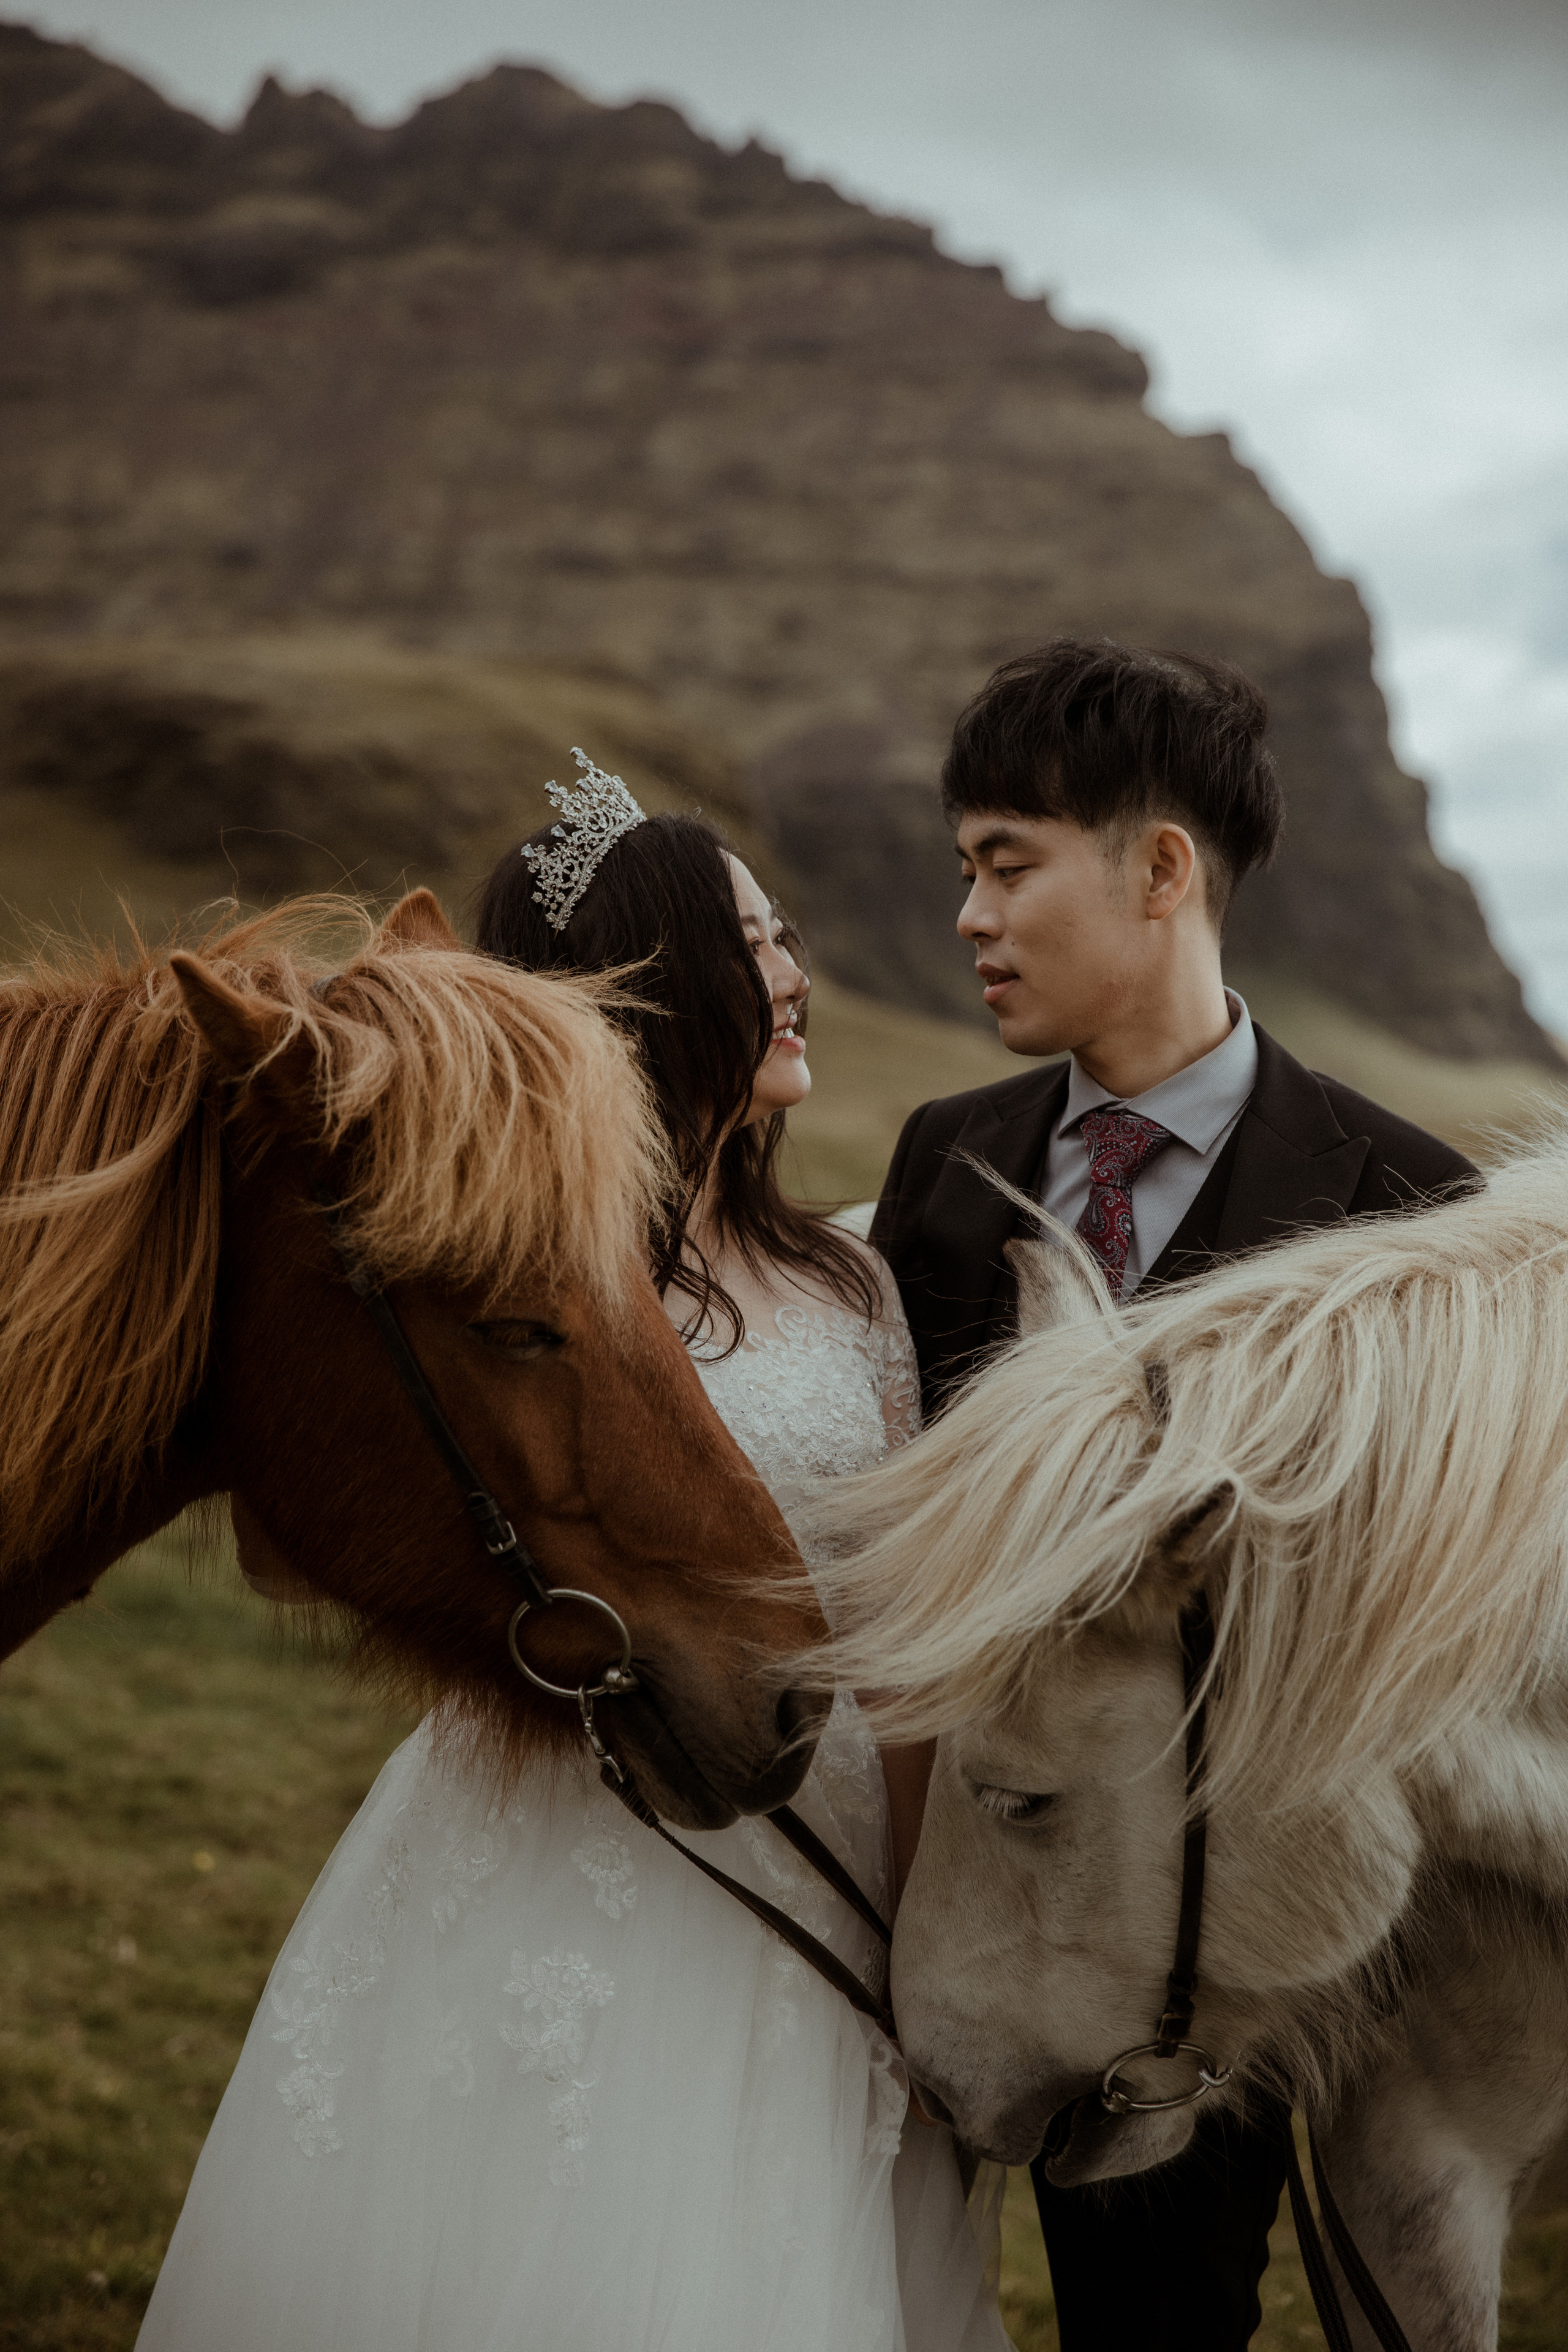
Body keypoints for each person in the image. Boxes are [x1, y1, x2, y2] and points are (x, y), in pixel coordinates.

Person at [137, 754, 1005, 2352]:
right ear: (667, 981)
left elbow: (902, 1648)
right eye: (754, 944)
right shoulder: (508, 1277)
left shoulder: (858, 1281)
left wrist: (929, 1936)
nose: (794, 975)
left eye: (789, 934)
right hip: (550, 1844)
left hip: (813, 1853)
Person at [870, 641, 1477, 2352]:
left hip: (1267, 1931)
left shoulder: (1403, 1207)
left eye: (1006, 864)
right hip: (994, 1880)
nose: (972, 918)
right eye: (963, 872)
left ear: (1161, 871)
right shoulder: (943, 1160)